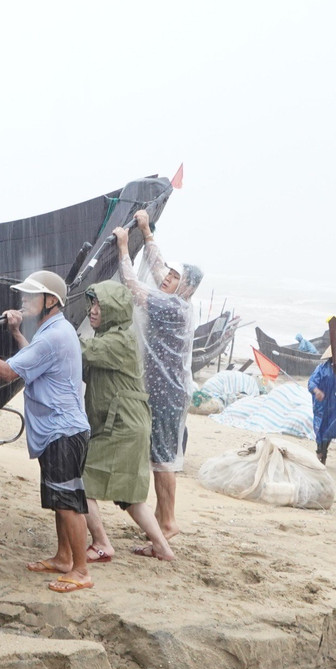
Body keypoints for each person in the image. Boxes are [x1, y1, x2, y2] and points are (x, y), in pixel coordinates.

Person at [0, 270, 93, 593]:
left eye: (32, 296)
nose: (25, 301)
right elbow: (34, 359)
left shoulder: (55, 334)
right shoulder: (54, 330)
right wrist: (16, 333)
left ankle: (81, 571)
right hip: (61, 430)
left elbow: (7, 371)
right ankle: (63, 558)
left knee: (68, 501)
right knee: (60, 499)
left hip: (63, 431)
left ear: (51, 301)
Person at [115, 209, 204, 540]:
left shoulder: (172, 307)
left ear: (186, 289)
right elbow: (157, 269)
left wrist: (124, 247)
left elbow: (134, 287)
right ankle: (163, 516)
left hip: (168, 392)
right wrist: (147, 233)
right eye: (169, 275)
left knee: (164, 457)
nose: (166, 278)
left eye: (174, 278)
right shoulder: (173, 296)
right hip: (164, 389)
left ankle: (167, 521)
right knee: (159, 455)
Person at [75, 280, 176, 563]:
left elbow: (80, 352)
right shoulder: (115, 337)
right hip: (127, 424)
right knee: (130, 495)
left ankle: (102, 543)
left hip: (122, 426)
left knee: (80, 482)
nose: (93, 311)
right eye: (92, 304)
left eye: (99, 305)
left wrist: (54, 329)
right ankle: (162, 548)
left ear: (114, 309)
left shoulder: (118, 341)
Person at [308, 348, 336, 466]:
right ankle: (320, 452)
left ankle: (323, 452)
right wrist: (317, 391)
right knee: (321, 430)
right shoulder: (321, 369)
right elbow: (311, 383)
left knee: (331, 429)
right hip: (322, 404)